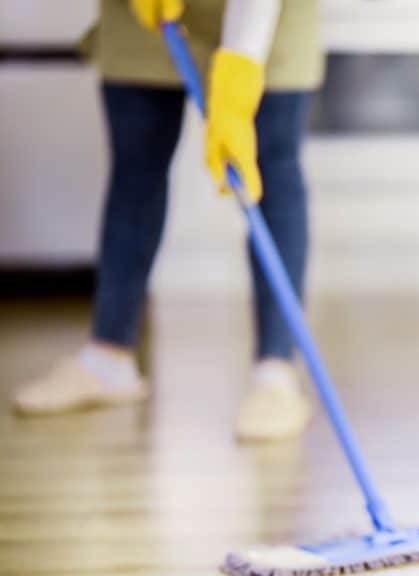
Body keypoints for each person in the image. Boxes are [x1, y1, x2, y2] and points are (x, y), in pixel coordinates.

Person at [12, 0, 324, 442]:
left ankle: (275, 373)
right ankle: (108, 359)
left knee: (270, 167)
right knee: (136, 163)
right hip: (141, 14)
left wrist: (238, 76)